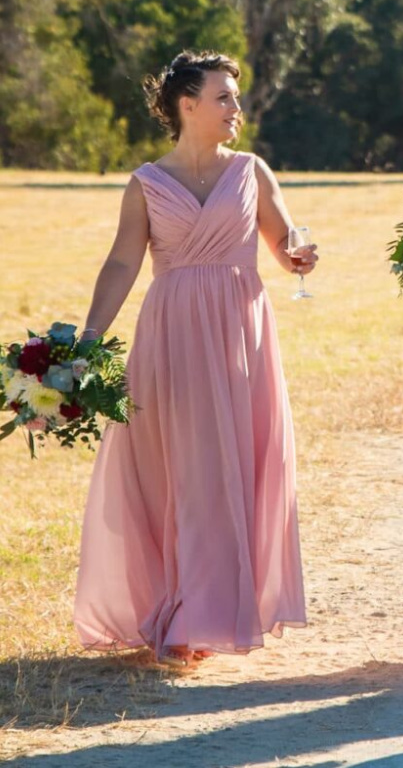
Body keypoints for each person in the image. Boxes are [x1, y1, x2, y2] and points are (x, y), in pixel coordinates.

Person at [71, 50, 318, 664]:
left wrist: (300, 255)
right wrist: (88, 340)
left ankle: (211, 611)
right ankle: (182, 611)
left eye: (235, 97)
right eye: (224, 97)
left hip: (240, 335)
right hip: (174, 335)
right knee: (181, 470)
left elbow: (285, 241)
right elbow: (123, 262)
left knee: (230, 466)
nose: (236, 108)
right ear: (188, 105)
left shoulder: (252, 172)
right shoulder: (147, 183)